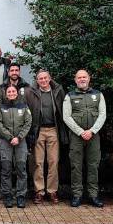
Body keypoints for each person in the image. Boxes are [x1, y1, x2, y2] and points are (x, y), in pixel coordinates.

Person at [62, 70, 106, 208]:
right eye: (79, 77)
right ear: (75, 80)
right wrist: (81, 132)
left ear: (89, 79)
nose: (82, 79)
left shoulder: (98, 94)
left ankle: (93, 195)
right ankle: (77, 195)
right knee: (76, 166)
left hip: (94, 136)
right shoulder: (69, 96)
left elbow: (102, 114)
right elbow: (66, 117)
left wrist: (92, 131)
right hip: (76, 137)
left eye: (84, 77)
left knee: (93, 165)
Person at [25, 70, 67, 204]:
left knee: (53, 161)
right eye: (40, 79)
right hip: (38, 130)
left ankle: (52, 191)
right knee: (38, 162)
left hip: (53, 130)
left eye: (45, 78)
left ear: (50, 78)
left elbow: (63, 110)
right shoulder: (30, 92)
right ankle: (39, 191)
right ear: (37, 81)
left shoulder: (58, 91)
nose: (43, 80)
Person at [0, 85, 32, 208]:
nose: (11, 93)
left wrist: (19, 137)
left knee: (21, 169)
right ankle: (7, 196)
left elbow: (28, 122)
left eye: (13, 91)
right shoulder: (1, 107)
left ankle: (21, 196)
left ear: (17, 93)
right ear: (6, 94)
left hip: (21, 142)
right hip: (5, 142)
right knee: (6, 169)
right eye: (9, 91)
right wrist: (10, 137)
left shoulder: (24, 106)